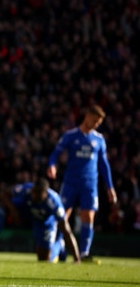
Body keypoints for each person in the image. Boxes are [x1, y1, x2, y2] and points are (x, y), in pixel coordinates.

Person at [47, 105, 117, 261]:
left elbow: (104, 165)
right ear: (87, 116)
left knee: (88, 216)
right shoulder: (70, 135)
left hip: (90, 184)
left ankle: (84, 253)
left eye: (99, 122)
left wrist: (110, 187)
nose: (96, 125)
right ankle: (59, 249)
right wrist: (52, 165)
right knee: (62, 216)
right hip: (71, 182)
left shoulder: (99, 139)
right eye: (95, 120)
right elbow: (55, 154)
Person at [0, 179, 81, 263]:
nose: (34, 195)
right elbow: (4, 194)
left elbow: (67, 231)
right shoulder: (26, 189)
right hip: (28, 210)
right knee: (1, 207)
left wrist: (77, 259)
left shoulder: (55, 203)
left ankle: (59, 245)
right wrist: (13, 211)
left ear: (45, 193)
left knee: (44, 260)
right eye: (34, 192)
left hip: (46, 222)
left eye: (38, 193)